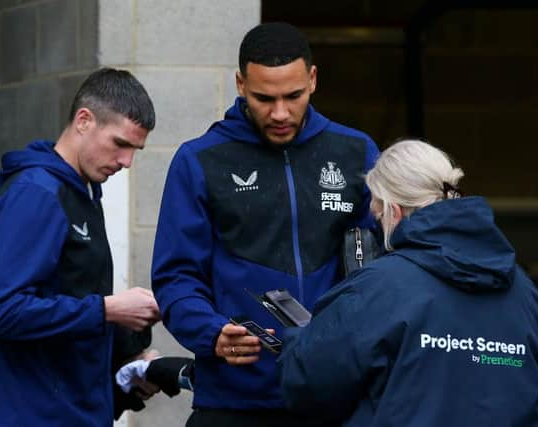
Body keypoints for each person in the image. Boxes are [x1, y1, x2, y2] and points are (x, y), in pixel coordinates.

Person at [152, 22, 380, 426]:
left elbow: (381, 270)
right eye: (263, 98)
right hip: (234, 400)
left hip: (335, 396)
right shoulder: (200, 160)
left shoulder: (356, 152)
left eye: (292, 96)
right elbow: (176, 277)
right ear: (240, 84)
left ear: (313, 79)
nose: (279, 113)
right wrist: (211, 332)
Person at [278, 139, 538, 427]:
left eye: (379, 215)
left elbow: (308, 383)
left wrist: (301, 338)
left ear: (394, 211)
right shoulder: (523, 289)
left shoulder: (380, 285)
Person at [0, 68, 164, 426]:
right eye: (120, 144)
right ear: (84, 120)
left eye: (135, 150)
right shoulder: (36, 193)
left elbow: (67, 310)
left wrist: (128, 371)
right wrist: (107, 309)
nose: (127, 162)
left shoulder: (85, 193)